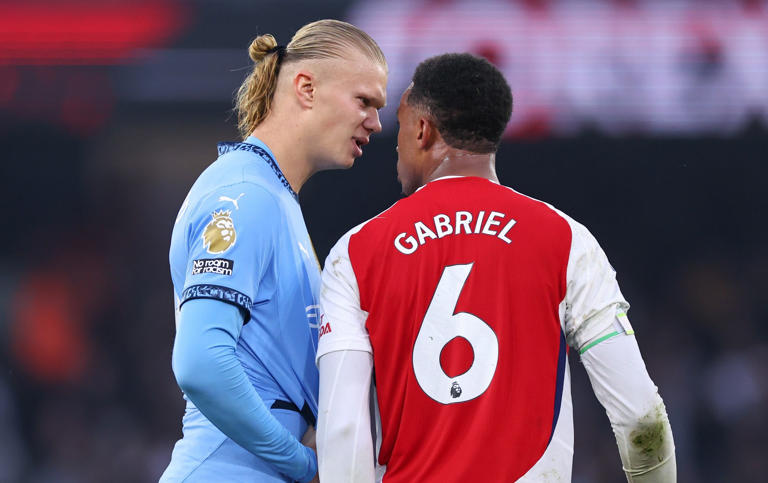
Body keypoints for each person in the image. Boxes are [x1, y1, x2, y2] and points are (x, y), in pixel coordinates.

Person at [316, 53, 675, 482]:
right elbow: (640, 418)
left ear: (421, 130)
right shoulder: (565, 241)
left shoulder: (356, 253)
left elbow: (344, 430)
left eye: (400, 126)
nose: (393, 143)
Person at [162, 19, 387, 482]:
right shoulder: (247, 195)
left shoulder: (272, 195)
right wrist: (303, 464)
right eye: (364, 101)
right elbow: (201, 361)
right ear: (306, 88)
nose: (376, 123)